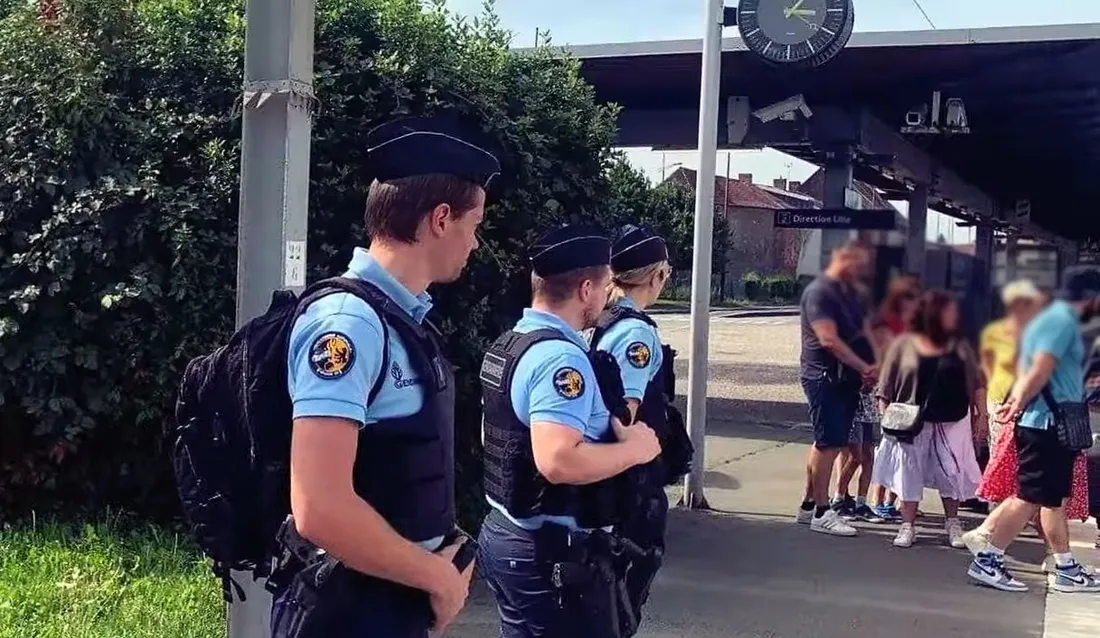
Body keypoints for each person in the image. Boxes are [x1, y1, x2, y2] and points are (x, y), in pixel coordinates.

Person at [269, 114, 501, 637]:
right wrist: (438, 580)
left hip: (385, 604)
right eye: (475, 225)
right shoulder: (348, 326)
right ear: (440, 219)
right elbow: (319, 508)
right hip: (348, 613)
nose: (475, 243)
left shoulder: (400, 318)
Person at [476, 225, 663, 637]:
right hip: (550, 554)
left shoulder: (514, 344)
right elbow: (558, 460)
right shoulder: (561, 360)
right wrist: (637, 450)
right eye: (605, 284)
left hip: (510, 537)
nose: (608, 294)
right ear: (585, 289)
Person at [967, 266, 1100, 594]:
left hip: (1047, 422)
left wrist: (1018, 401)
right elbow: (1040, 369)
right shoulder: (1061, 321)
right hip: (1046, 424)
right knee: (1029, 497)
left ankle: (1065, 567)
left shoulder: (1053, 319)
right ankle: (988, 560)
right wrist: (1018, 402)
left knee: (1051, 499)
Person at [589, 224, 693, 623]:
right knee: (620, 604)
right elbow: (624, 416)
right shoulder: (636, 334)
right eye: (666, 272)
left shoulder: (606, 319)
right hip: (630, 485)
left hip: (611, 482)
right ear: (656, 276)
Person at [871, 290, 987, 548]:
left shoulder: (961, 345)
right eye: (950, 311)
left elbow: (978, 381)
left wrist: (982, 415)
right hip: (910, 418)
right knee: (909, 470)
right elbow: (885, 385)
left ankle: (952, 522)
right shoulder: (903, 344)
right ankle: (907, 525)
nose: (955, 316)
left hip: (953, 417)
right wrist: (884, 415)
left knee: (952, 470)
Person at [795, 241, 877, 536]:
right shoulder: (821, 293)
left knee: (826, 442)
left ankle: (809, 505)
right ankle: (821, 511)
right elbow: (828, 339)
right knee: (828, 444)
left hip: (843, 380)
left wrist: (870, 364)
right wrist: (863, 366)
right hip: (826, 378)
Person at [867, 275, 923, 521]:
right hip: (888, 389)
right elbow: (884, 358)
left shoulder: (913, 326)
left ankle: (896, 501)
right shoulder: (887, 323)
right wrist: (883, 400)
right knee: (888, 449)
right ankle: (877, 501)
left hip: (907, 392)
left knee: (903, 454)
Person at [830, 280, 887, 524]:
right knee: (854, 455)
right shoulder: (849, 333)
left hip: (869, 402)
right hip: (852, 399)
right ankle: (838, 498)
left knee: (868, 455)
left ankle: (862, 503)